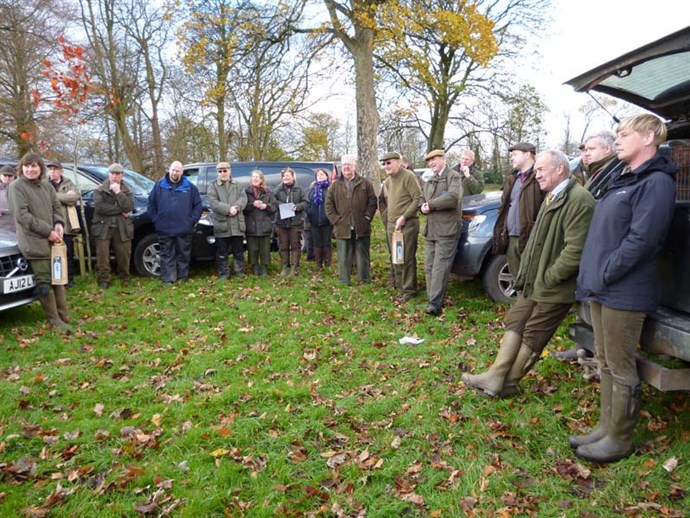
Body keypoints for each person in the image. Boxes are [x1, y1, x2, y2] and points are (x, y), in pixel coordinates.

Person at [572, 114, 676, 464]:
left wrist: (606, 272)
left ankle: (620, 438)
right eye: (616, 134)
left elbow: (643, 240)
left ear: (649, 138)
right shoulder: (622, 177)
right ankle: (605, 427)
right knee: (604, 359)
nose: (618, 140)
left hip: (625, 290)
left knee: (620, 363)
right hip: (603, 287)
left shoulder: (657, 182)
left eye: (624, 134)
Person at [462, 150, 595, 397]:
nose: (537, 175)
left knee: (534, 334)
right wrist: (527, 275)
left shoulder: (579, 200)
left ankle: (509, 384)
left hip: (554, 286)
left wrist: (550, 276)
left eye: (541, 170)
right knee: (516, 320)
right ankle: (495, 375)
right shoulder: (551, 196)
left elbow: (576, 250)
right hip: (534, 282)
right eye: (536, 171)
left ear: (560, 169)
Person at [555, 131, 621, 362]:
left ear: (607, 149)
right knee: (586, 298)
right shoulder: (595, 173)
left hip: (601, 247)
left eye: (590, 149)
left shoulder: (614, 171)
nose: (585, 153)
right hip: (589, 244)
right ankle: (587, 346)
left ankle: (597, 352)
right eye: (583, 149)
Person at [7, 153, 70, 328]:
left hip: (52, 239)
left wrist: (58, 224)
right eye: (27, 166)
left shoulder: (46, 186)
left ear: (40, 168)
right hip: (33, 241)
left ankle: (64, 315)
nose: (30, 169)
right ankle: (54, 320)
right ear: (21, 168)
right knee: (44, 281)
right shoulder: (16, 187)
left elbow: (56, 207)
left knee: (58, 278)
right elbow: (23, 216)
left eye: (34, 165)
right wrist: (47, 231)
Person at [419, 149, 462, 315]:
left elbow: (453, 198)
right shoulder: (430, 179)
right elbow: (423, 198)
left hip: (447, 231)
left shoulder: (454, 176)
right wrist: (422, 207)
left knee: (440, 267)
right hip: (430, 230)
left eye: (434, 160)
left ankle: (435, 304)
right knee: (429, 267)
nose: (431, 163)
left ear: (443, 159)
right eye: (429, 161)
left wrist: (430, 205)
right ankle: (432, 299)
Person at [493, 142, 544, 280]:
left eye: (515, 154)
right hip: (511, 236)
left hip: (531, 237)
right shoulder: (512, 179)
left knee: (532, 278)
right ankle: (520, 301)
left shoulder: (540, 177)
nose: (512, 158)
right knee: (517, 277)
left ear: (527, 154)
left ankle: (531, 302)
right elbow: (504, 206)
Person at [325, 154, 377, 284]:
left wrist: (367, 217)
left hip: (361, 225)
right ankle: (344, 280)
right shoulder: (335, 186)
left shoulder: (365, 183)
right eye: (344, 165)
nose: (346, 167)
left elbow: (372, 201)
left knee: (362, 255)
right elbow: (328, 205)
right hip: (342, 226)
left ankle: (364, 279)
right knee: (343, 256)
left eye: (349, 164)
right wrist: (336, 220)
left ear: (355, 166)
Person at [148, 161, 202, 284]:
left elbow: (198, 206)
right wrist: (157, 220)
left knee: (183, 255)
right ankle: (168, 279)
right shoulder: (159, 186)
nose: (174, 173)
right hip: (164, 228)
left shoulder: (190, 187)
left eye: (177, 170)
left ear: (182, 172)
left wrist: (191, 221)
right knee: (166, 255)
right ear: (169, 170)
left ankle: (182, 278)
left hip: (184, 228)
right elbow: (151, 204)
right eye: (173, 170)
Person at [381, 152, 422, 302]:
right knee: (396, 258)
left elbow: (417, 198)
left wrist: (405, 216)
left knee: (406, 257)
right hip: (392, 225)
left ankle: (410, 290)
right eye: (384, 164)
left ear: (399, 162)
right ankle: (401, 288)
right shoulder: (387, 181)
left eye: (389, 162)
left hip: (407, 225)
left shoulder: (408, 176)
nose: (386, 166)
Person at [92, 163, 134, 289]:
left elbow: (129, 207)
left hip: (122, 227)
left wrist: (118, 192)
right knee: (102, 256)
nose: (115, 176)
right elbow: (100, 208)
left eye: (118, 174)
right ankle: (104, 279)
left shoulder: (127, 190)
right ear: (109, 174)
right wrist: (120, 210)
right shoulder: (100, 189)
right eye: (112, 174)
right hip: (103, 227)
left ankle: (124, 277)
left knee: (124, 254)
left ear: (122, 175)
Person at [207, 161, 247, 279]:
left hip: (237, 224)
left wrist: (237, 208)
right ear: (217, 173)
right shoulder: (213, 186)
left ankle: (240, 273)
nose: (223, 173)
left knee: (238, 251)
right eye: (220, 171)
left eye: (225, 170)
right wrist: (229, 209)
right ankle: (224, 274)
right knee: (222, 253)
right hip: (222, 225)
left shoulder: (238, 185)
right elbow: (213, 202)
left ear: (230, 171)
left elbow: (243, 198)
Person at [47, 160, 81, 287]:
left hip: (66, 224)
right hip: (49, 224)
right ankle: (54, 280)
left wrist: (54, 196)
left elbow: (73, 199)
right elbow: (45, 198)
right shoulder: (45, 184)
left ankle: (69, 280)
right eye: (50, 169)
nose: (52, 172)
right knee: (51, 254)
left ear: (61, 171)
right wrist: (63, 197)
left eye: (55, 169)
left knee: (67, 254)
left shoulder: (69, 183)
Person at [274, 167, 308, 276]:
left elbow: (306, 202)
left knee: (295, 245)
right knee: (283, 245)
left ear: (293, 177)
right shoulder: (278, 189)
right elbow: (272, 200)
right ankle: (284, 267)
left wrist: (296, 207)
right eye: (284, 176)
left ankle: (294, 267)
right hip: (281, 222)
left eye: (288, 176)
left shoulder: (300, 189)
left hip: (295, 222)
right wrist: (281, 205)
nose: (286, 178)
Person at [244, 169, 276, 276]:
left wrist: (265, 206)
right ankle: (255, 268)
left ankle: (264, 268)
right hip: (251, 224)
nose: (255, 179)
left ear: (262, 179)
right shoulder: (246, 192)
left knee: (265, 248)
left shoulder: (267, 192)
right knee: (253, 248)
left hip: (264, 225)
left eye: (258, 177)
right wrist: (252, 204)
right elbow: (243, 207)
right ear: (251, 179)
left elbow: (274, 207)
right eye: (253, 177)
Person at [582, 130, 623, 198]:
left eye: (591, 149)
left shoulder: (616, 171)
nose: (586, 154)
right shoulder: (601, 169)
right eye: (586, 150)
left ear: (607, 149)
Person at [307, 168, 334, 270]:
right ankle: (318, 264)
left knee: (326, 242)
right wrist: (309, 213)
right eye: (318, 175)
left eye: (322, 174)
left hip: (327, 221)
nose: (320, 176)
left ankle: (327, 264)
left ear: (326, 176)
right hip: (314, 221)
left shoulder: (330, 189)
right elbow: (307, 203)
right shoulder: (312, 190)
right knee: (317, 242)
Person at [0, 164, 17, 232]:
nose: (7, 178)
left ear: (14, 177)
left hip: (14, 222)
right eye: (5, 175)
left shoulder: (19, 189)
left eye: (10, 176)